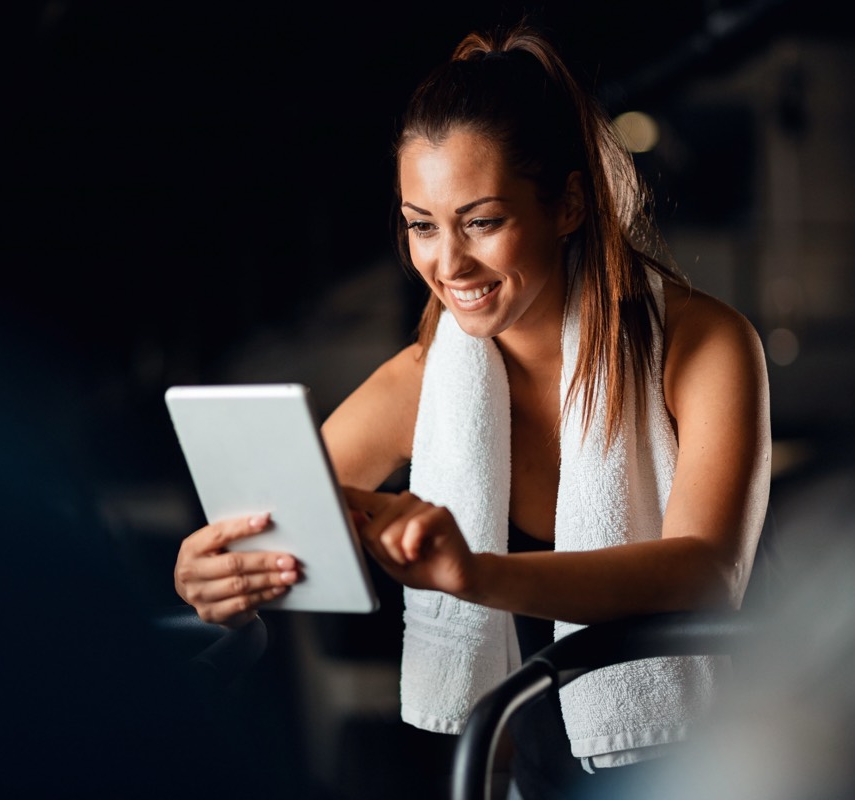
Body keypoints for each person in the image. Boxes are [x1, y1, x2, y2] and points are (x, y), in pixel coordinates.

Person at [174, 19, 770, 799]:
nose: (448, 263)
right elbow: (277, 528)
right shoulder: (424, 381)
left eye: (483, 221)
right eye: (422, 226)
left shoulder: (704, 345)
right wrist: (214, 579)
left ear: (569, 204)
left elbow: (706, 573)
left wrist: (476, 573)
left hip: (727, 770)